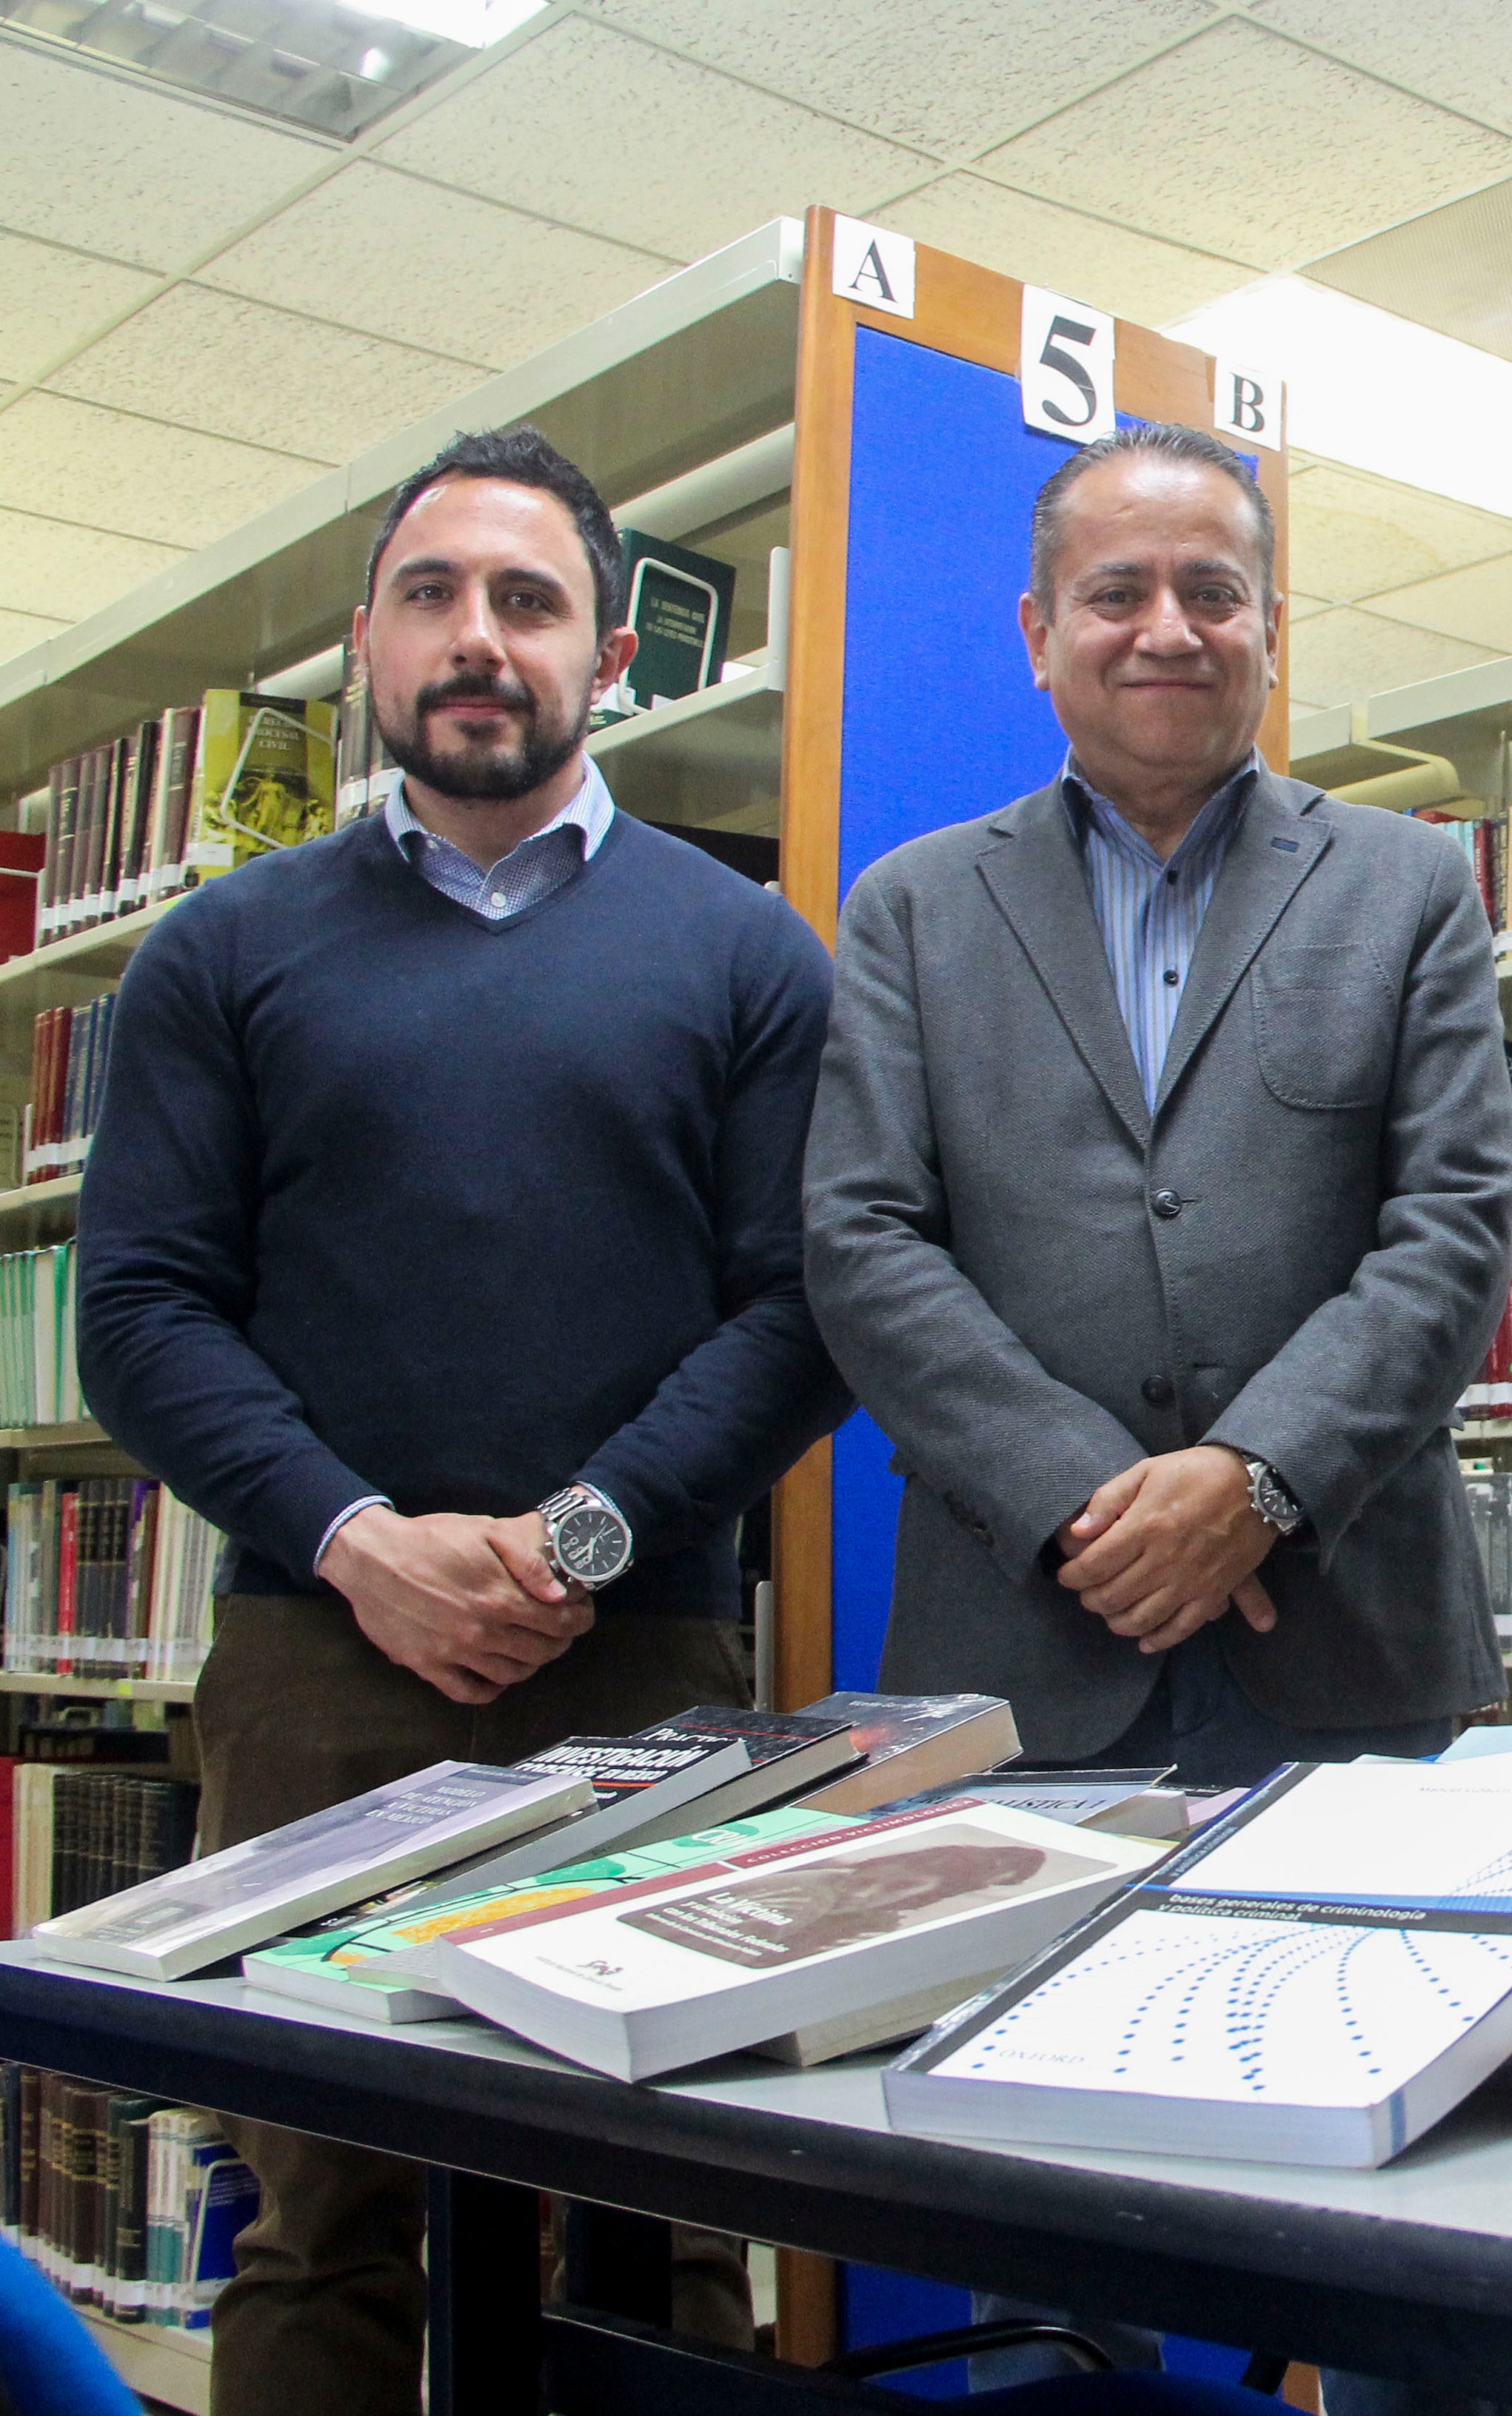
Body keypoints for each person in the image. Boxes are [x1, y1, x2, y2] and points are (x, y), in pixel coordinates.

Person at [77, 424, 849, 2416]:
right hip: (314, 1663)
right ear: (366, 648)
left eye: (530, 601)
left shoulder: (749, 955)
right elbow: (143, 1318)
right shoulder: (219, 959)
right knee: (318, 2209)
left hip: (648, 1666)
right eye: (433, 596)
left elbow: (806, 1310)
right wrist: (362, 1541)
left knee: (659, 2206)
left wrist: (580, 1535)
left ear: (612, 662)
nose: (477, 639)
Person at [803, 417, 1512, 1790]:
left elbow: (1456, 1224)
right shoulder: (913, 908)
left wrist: (1257, 1477)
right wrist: (1081, 1495)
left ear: (1269, 624)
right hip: (1023, 1638)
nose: (1167, 630)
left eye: (1212, 591)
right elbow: (864, 1242)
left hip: (1346, 1631)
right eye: (1117, 593)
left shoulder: (1408, 886)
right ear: (1039, 630)